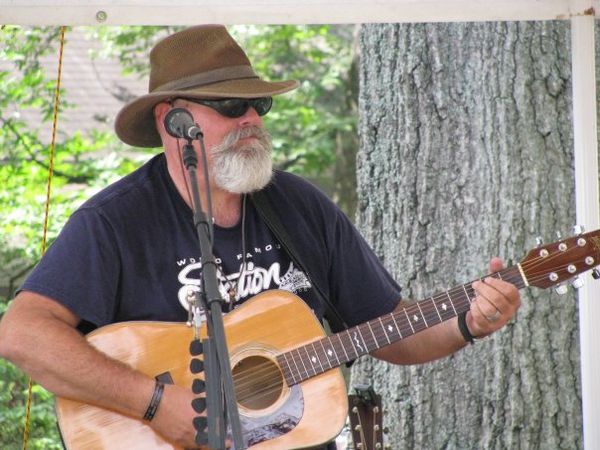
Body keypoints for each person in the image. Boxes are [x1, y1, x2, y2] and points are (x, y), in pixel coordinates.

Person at [0, 25, 520, 449]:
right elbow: (21, 334)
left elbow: (387, 328)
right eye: (231, 105)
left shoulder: (299, 207)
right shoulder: (116, 221)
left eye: (259, 105)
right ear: (171, 121)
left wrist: (467, 322)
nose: (251, 119)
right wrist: (154, 403)